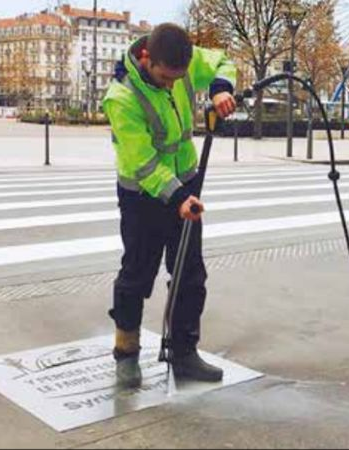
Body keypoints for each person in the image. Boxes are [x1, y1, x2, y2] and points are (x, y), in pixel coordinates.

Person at [103, 23, 237, 388]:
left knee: (190, 272)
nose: (169, 85)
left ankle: (184, 353)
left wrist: (221, 88)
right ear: (146, 57)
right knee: (136, 273)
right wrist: (176, 196)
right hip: (143, 196)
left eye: (176, 79)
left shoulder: (185, 66)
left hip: (186, 184)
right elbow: (141, 162)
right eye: (164, 77)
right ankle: (126, 353)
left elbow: (223, 61)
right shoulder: (122, 97)